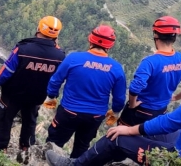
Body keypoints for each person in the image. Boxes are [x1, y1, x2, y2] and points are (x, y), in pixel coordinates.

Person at [45, 42, 181, 166]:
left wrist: (130, 130)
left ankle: (75, 164)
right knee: (147, 132)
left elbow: (170, 122)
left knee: (116, 136)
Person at [44, 25, 126, 158]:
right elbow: (119, 98)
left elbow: (56, 80)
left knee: (54, 143)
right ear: (110, 45)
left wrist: (51, 96)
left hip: (69, 111)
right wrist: (116, 111)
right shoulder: (116, 68)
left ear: (90, 40)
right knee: (82, 148)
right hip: (94, 117)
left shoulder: (74, 58)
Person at [0, 16, 66, 151]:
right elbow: (57, 78)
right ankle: (26, 147)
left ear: (39, 28)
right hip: (37, 96)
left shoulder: (24, 49)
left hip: (14, 94)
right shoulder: (59, 56)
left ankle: (1, 148)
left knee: (4, 118)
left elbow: (7, 69)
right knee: (30, 121)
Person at [119, 16, 181, 126]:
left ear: (156, 35)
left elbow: (135, 87)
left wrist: (132, 104)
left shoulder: (150, 62)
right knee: (149, 141)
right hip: (160, 112)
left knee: (121, 138)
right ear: (174, 37)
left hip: (139, 111)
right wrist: (176, 97)